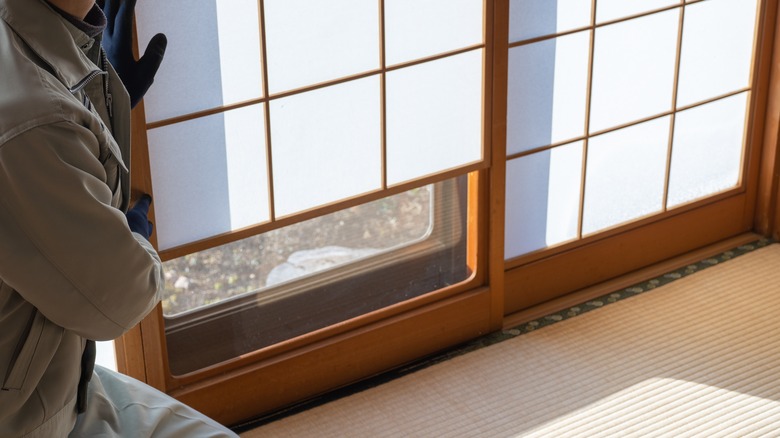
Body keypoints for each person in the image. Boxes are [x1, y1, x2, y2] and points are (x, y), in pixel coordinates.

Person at [0, 0, 238, 436]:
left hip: (57, 380)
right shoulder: (27, 118)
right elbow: (120, 300)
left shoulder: (43, 35)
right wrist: (135, 236)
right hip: (25, 417)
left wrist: (102, 105)